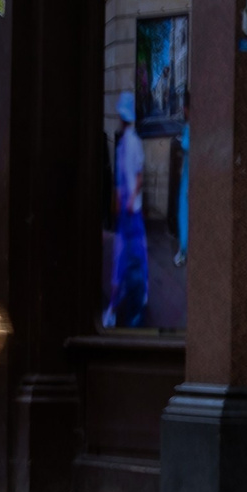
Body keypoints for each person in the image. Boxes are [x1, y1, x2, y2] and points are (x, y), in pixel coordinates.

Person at [104, 92, 150, 328]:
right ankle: (132, 298)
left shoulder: (129, 143)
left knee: (125, 255)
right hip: (130, 210)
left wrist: (128, 199)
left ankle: (116, 305)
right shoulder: (126, 143)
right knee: (134, 253)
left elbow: (138, 177)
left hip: (130, 210)